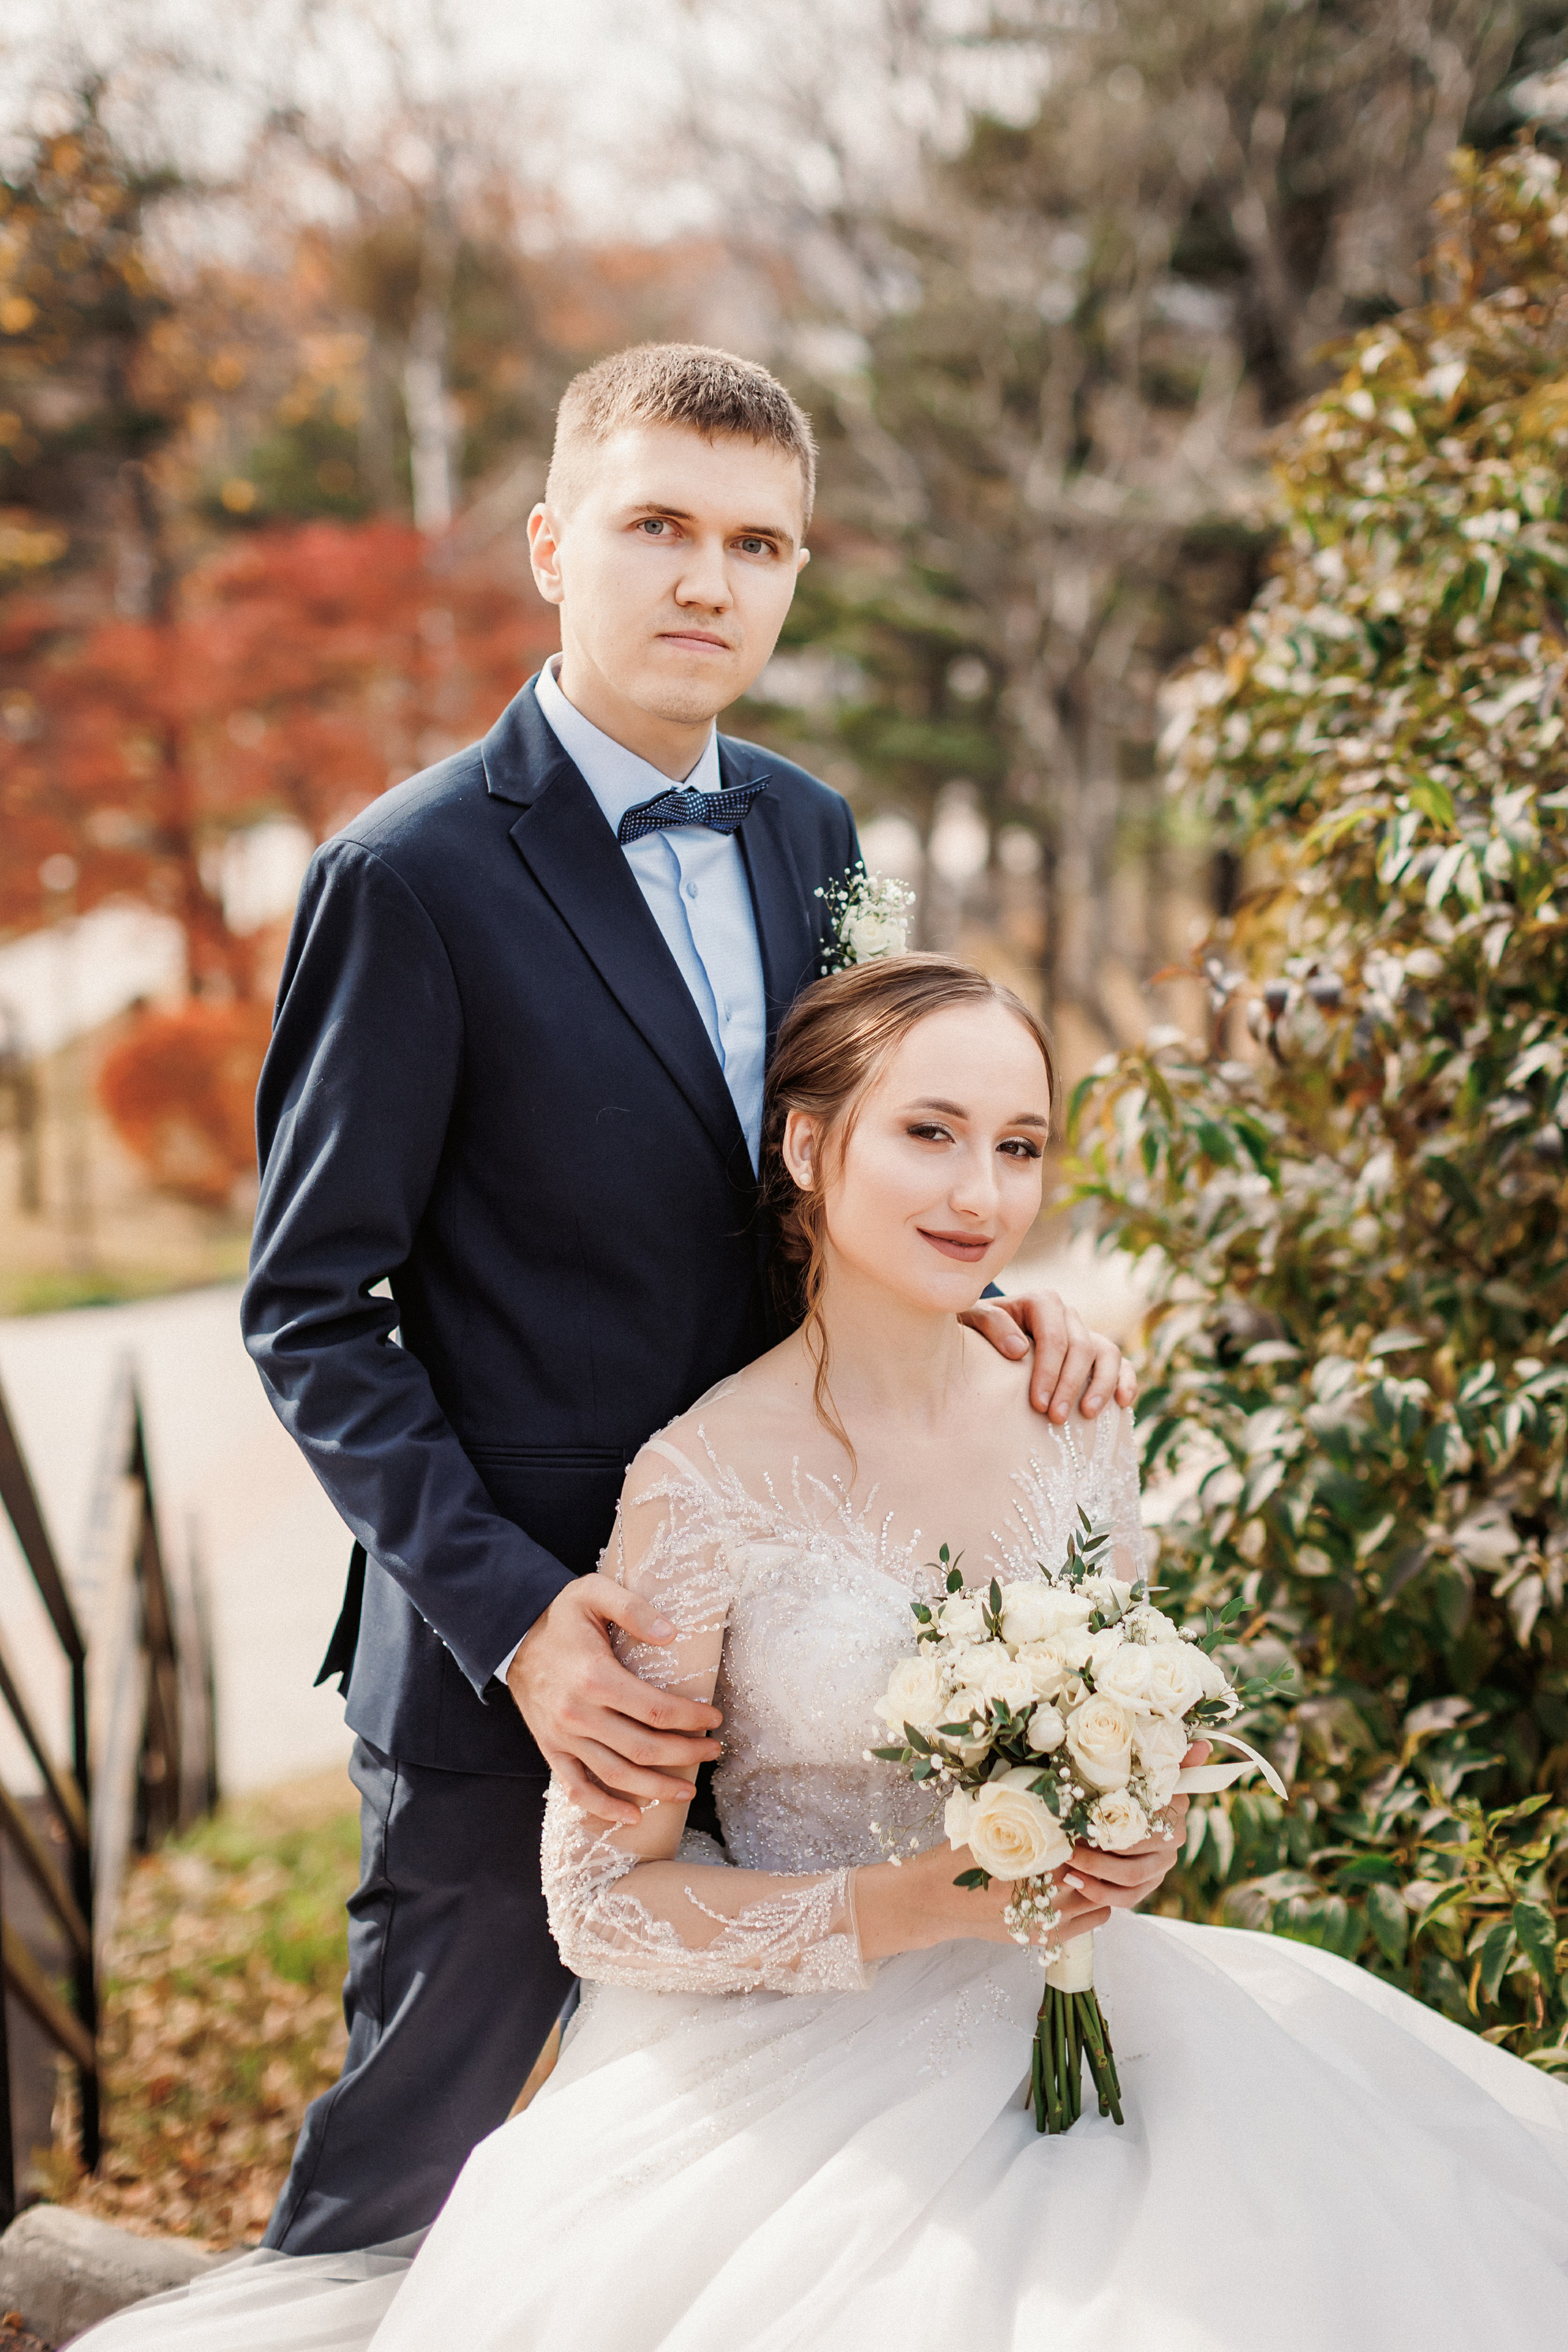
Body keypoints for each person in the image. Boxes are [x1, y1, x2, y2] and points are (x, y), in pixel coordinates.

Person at [85, 956, 1568, 2351]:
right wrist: (904, 1907)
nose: (980, 1193)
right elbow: (601, 1906)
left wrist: (1136, 1838)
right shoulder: (701, 1481)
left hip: (1102, 2011)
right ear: (806, 1147)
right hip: (798, 2077)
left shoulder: (1075, 1411)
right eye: (928, 1132)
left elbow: (1144, 1742)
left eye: (1019, 1146)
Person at [238, 342, 1134, 2254]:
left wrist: (993, 1309)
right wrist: (519, 1622)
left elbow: (867, 1155)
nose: (708, 581)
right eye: (658, 526)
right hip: (549, 1666)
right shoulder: (403, 878)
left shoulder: (818, 834)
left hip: (813, 1639)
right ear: (553, 546)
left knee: (755, 2191)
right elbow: (309, 1310)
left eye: (758, 543)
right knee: (412, 2167)